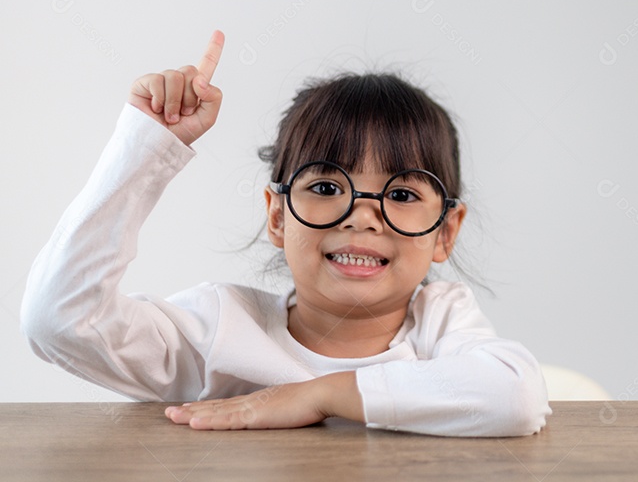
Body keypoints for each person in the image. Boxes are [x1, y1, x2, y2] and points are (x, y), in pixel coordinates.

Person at [20, 30, 551, 436]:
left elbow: (518, 397)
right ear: (277, 215)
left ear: (445, 230)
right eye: (325, 187)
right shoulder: (220, 331)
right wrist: (145, 148)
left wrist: (320, 396)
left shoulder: (441, 324)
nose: (362, 216)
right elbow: (58, 319)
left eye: (402, 195)